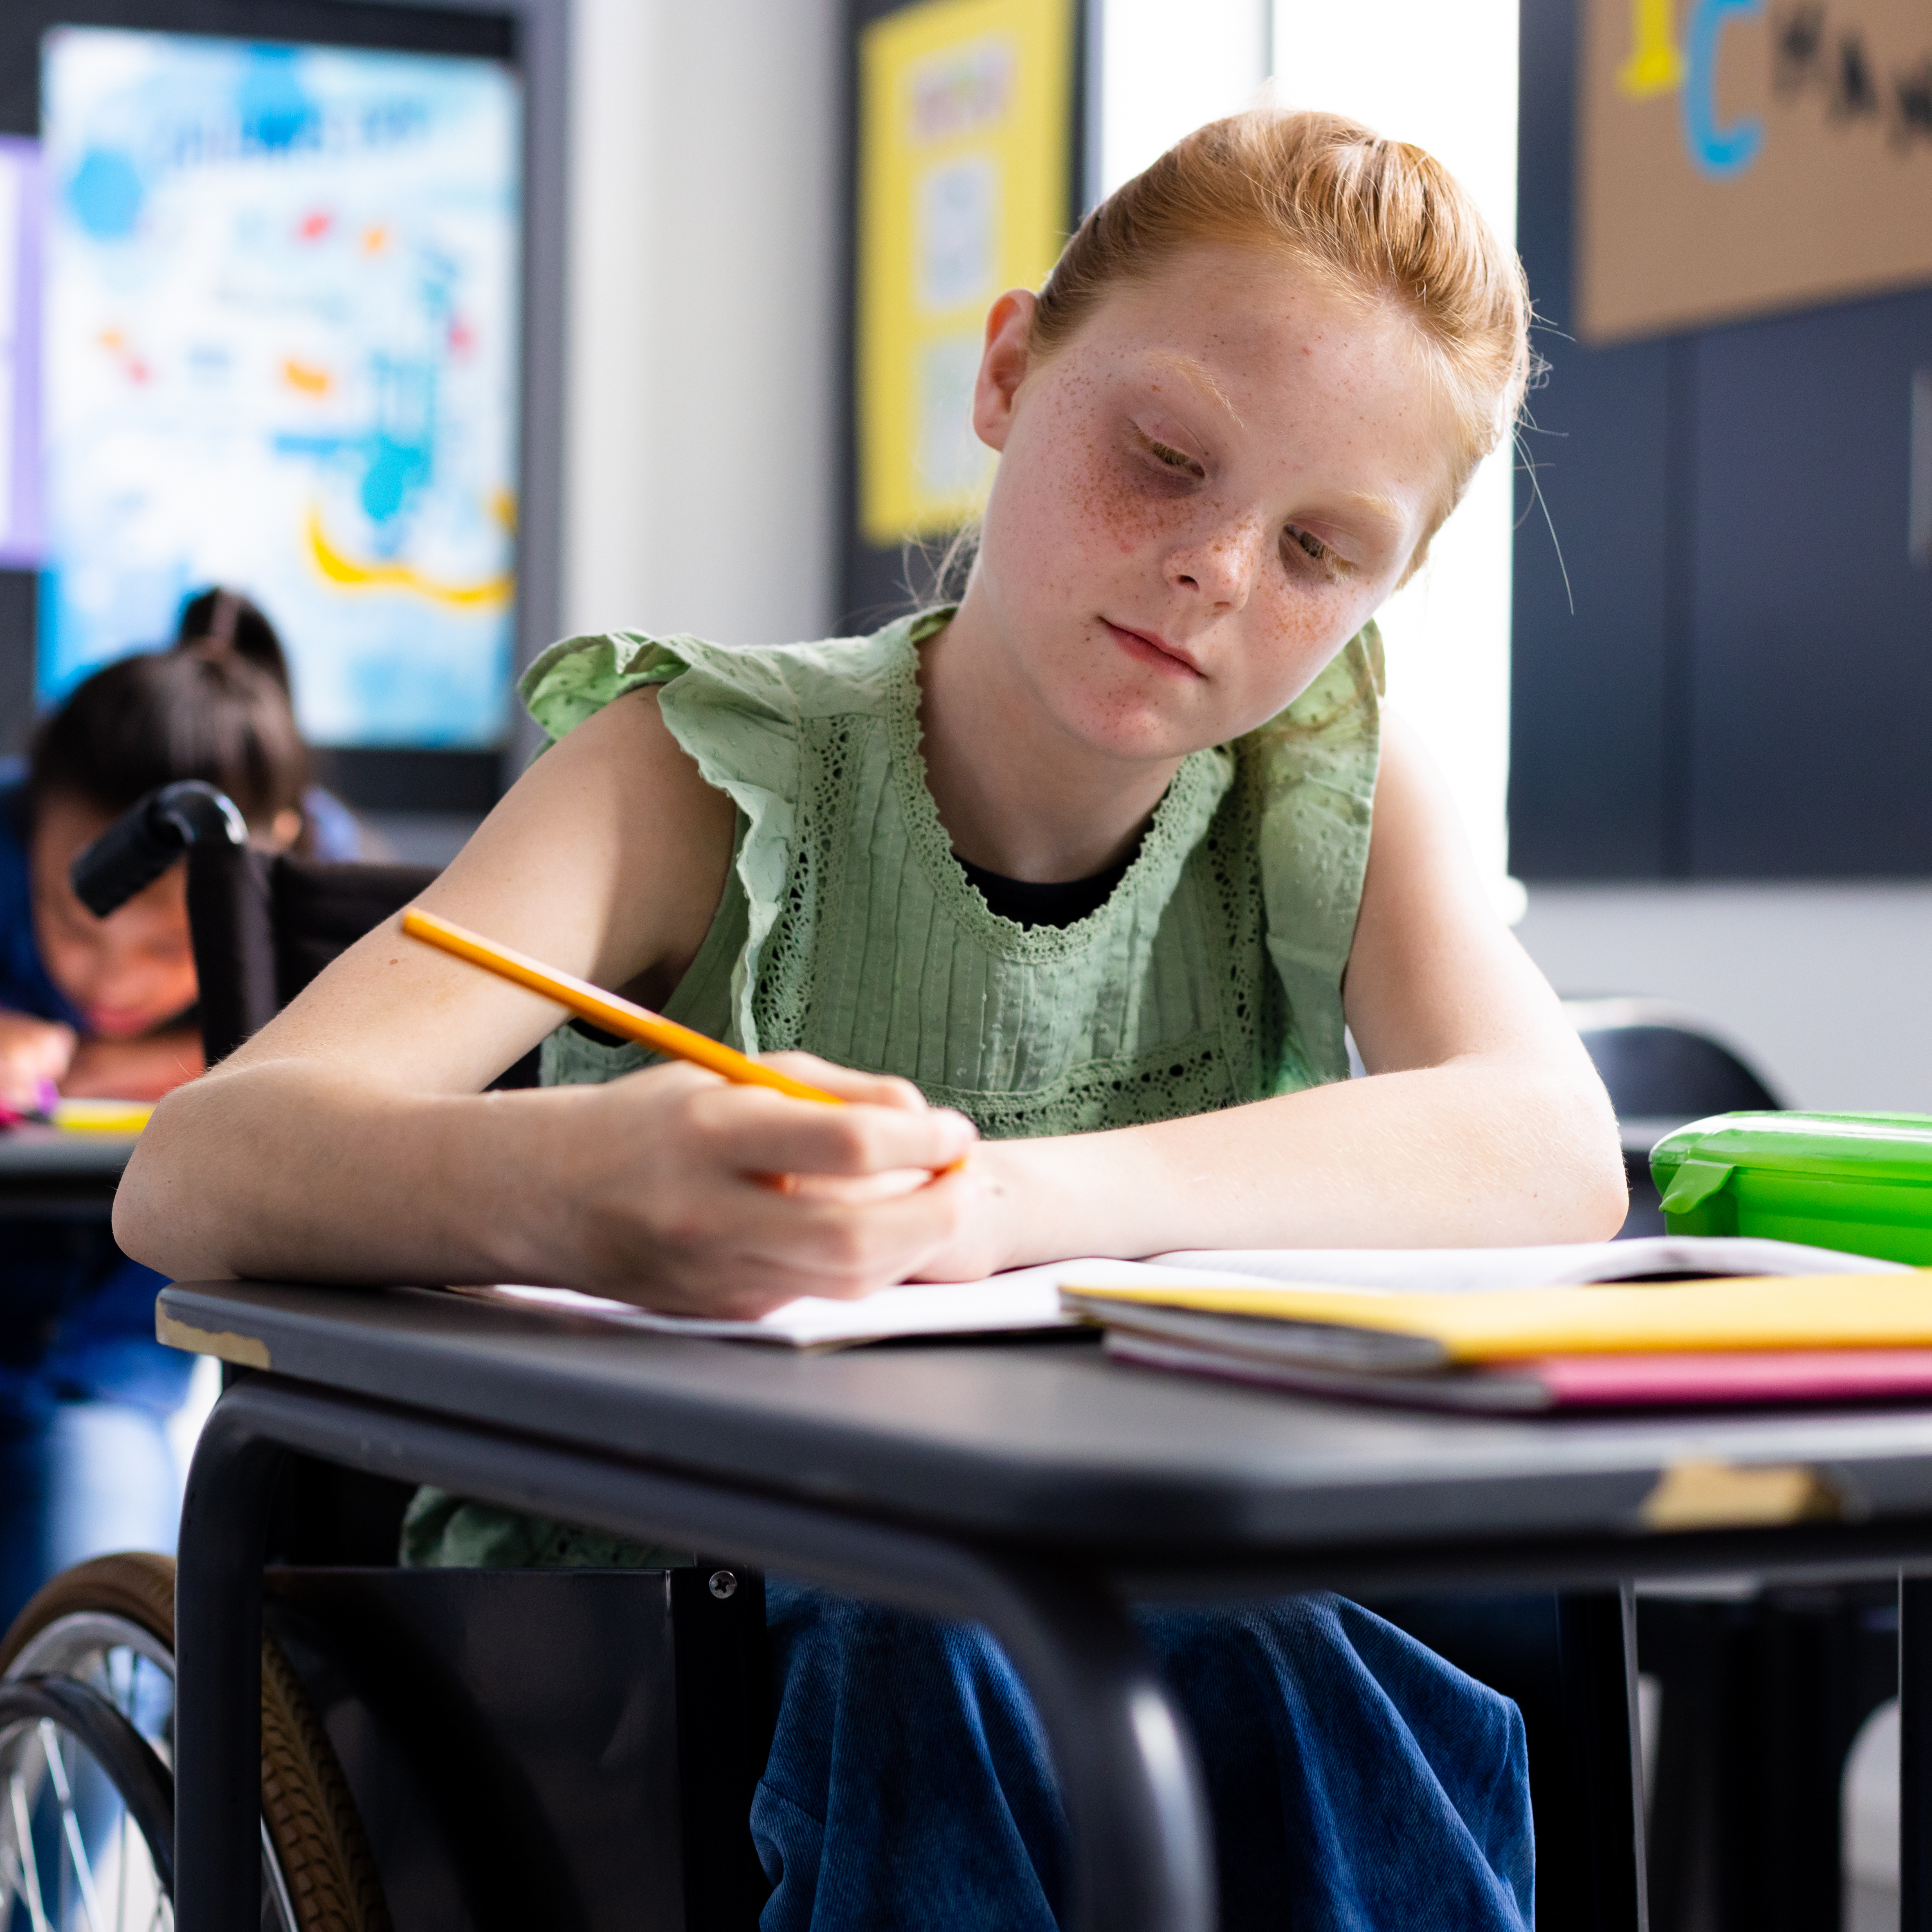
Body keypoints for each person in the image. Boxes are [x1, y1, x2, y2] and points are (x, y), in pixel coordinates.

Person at [119, 113, 1626, 1929]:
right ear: (1006, 374)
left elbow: (1549, 1144)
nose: (1219, 569)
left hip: (1099, 1593)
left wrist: (998, 1201)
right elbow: (188, 1171)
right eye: (1163, 459)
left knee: (1334, 1671)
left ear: (1387, 593)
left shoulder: (1332, 790)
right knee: (956, 1656)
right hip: (643, 1642)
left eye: (1320, 547)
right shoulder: (693, 771)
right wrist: (578, 1188)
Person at [0, 592, 356, 1624]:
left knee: (112, 1630)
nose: (111, 975)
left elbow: (353, 1045)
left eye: (168, 946)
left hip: (103, 1372)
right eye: (73, 923)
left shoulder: (324, 879)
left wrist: (100, 1064)